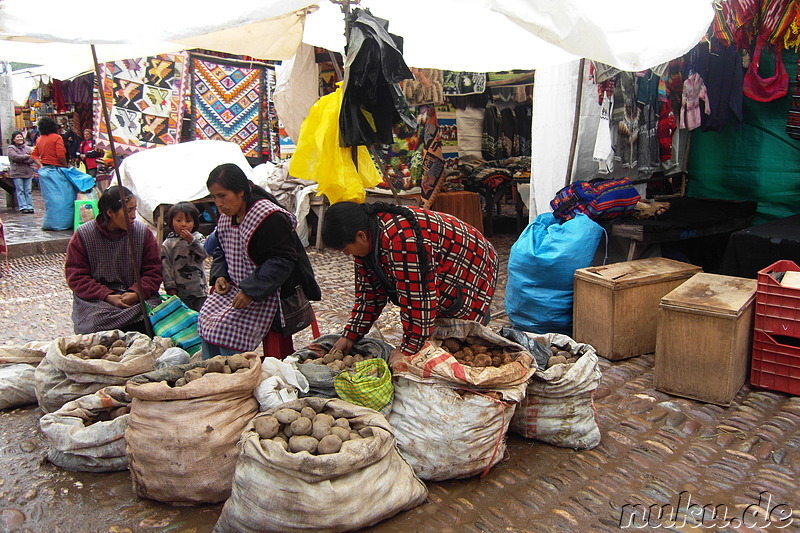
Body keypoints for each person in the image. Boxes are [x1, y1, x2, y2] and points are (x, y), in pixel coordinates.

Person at [322, 201, 498, 362]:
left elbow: (419, 298)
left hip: (473, 265)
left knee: (460, 330)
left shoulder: (402, 241)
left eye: (346, 249)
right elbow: (370, 295)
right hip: (438, 265)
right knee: (432, 335)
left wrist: (408, 348)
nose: (347, 254)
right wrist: (350, 335)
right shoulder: (366, 243)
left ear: (361, 236)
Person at [198, 163, 320, 359]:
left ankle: (234, 375)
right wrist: (220, 274)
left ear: (240, 192)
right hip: (236, 288)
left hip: (267, 292)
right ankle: (211, 371)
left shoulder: (268, 216)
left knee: (225, 328)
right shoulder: (226, 216)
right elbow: (221, 247)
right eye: (214, 197)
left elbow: (282, 260)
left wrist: (250, 290)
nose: (218, 203)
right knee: (205, 318)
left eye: (222, 196)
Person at [65, 186, 162, 334]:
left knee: (156, 316)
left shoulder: (143, 233)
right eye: (128, 211)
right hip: (98, 302)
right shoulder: (83, 236)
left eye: (134, 209)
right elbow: (77, 277)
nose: (133, 216)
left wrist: (137, 293)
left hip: (136, 299)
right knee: (95, 323)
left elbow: (153, 271)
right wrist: (107, 296)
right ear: (110, 212)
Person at [160, 201, 209, 312]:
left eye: (188, 221)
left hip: (199, 290)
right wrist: (170, 288)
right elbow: (166, 267)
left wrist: (192, 241)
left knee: (201, 317)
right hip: (180, 292)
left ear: (195, 223)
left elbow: (204, 254)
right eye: (179, 220)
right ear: (171, 222)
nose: (183, 224)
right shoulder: (168, 244)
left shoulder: (198, 238)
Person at [7, 131, 37, 214]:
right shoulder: (11, 148)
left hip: (28, 172)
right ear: (13, 139)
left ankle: (30, 206)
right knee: (20, 190)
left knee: (28, 190)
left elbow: (33, 158)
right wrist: (27, 156)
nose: (19, 138)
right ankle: (23, 206)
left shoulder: (27, 148)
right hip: (17, 173)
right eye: (17, 137)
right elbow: (15, 157)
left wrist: (24, 158)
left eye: (20, 137)